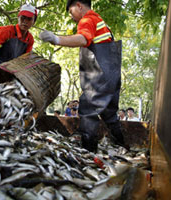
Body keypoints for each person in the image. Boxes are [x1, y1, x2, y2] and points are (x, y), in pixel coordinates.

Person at [39, 0, 126, 152]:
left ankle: (88, 152)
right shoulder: (100, 22)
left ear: (79, 5)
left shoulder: (87, 19)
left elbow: (83, 39)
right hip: (112, 77)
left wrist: (56, 39)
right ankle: (123, 146)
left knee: (87, 108)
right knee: (110, 114)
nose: (72, 17)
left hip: (101, 74)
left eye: (71, 12)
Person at [0, 4, 37, 85]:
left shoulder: (30, 39)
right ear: (18, 18)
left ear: (34, 22)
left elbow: (25, 61)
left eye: (29, 19)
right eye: (23, 18)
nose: (25, 21)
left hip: (11, 75)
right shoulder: (5, 32)